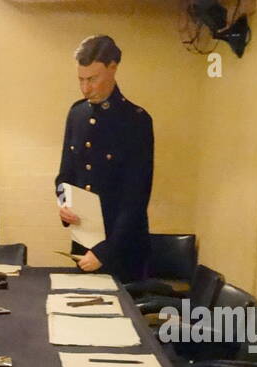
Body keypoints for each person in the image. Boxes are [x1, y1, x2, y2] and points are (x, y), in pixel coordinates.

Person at [55, 35, 154, 282]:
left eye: (92, 79)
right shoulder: (77, 114)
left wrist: (105, 251)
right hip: (83, 242)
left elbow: (136, 197)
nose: (86, 88)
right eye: (81, 79)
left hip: (122, 249)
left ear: (113, 67)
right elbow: (65, 175)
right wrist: (63, 205)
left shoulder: (136, 121)